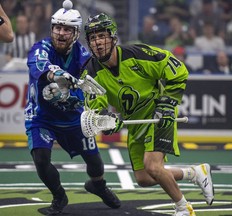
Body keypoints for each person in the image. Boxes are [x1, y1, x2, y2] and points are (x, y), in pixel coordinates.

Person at [82, 13, 214, 216]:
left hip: (158, 115)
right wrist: (106, 120)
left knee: (153, 166)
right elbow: (95, 105)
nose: (98, 42)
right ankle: (195, 173)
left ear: (113, 36)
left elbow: (177, 69)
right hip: (136, 123)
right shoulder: (90, 71)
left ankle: (183, 208)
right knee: (144, 178)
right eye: (92, 38)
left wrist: (169, 103)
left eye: (102, 36)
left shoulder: (137, 54)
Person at [24, 2, 120, 215]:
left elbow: (95, 87)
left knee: (95, 163)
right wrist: (58, 76)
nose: (60, 33)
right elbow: (39, 66)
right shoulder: (41, 48)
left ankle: (98, 185)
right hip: (41, 117)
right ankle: (59, 195)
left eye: (67, 29)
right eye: (57, 27)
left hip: (73, 117)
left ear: (76, 33)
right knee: (40, 159)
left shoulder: (84, 57)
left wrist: (103, 110)